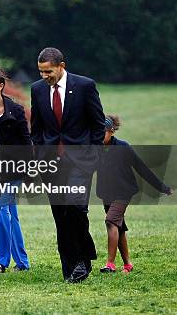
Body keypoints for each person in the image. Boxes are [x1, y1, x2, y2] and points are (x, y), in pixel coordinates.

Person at [30, 47, 105, 283]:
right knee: (60, 214)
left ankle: (83, 258)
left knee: (74, 207)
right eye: (41, 72)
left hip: (80, 161)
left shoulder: (84, 86)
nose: (44, 76)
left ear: (61, 65)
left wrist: (93, 155)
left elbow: (97, 124)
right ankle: (71, 266)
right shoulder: (37, 89)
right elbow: (38, 129)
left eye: (48, 71)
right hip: (50, 163)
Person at [97, 115, 173, 274]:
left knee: (111, 221)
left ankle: (110, 264)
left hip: (123, 192)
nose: (98, 135)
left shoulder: (123, 147)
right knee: (119, 227)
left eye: (102, 132)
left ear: (111, 132)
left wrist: (163, 188)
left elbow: (142, 168)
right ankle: (128, 264)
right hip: (106, 193)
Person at [0, 67, 31, 274]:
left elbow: (26, 141)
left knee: (1, 209)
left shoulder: (15, 110)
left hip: (14, 170)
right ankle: (22, 262)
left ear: (0, 86)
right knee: (10, 213)